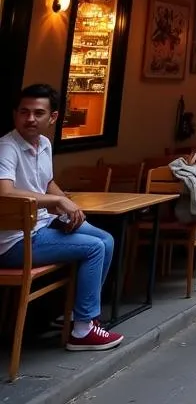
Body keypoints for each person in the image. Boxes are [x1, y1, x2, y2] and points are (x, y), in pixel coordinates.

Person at [0, 84, 123, 352]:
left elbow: (47, 183)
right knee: (94, 248)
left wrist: (70, 205)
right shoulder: (7, 147)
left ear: (52, 118)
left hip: (40, 226)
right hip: (14, 241)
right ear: (15, 115)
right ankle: (81, 331)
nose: (30, 118)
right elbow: (5, 192)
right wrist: (57, 201)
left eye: (38, 113)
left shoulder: (44, 144)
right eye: (24, 112)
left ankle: (81, 314)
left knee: (107, 239)